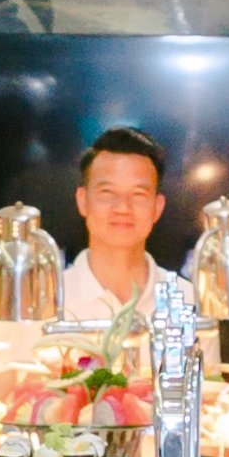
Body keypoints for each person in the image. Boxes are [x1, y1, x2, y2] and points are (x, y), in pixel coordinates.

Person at [60, 124, 172, 317]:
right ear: (82, 200)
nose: (122, 208)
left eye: (138, 194)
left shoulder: (187, 300)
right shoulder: (46, 302)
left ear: (157, 207)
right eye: (107, 192)